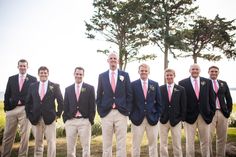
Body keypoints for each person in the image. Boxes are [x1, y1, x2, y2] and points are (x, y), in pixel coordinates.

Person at [96, 52, 132, 157]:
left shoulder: (125, 75)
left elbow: (129, 94)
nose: (113, 60)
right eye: (111, 58)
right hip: (106, 113)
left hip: (121, 113)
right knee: (107, 143)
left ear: (118, 61)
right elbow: (98, 95)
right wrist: (100, 111)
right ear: (108, 61)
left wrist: (127, 110)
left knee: (121, 142)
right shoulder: (102, 76)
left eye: (114, 58)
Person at [1, 59, 37, 157]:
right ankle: (5, 155)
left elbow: (35, 95)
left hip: (25, 110)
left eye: (24, 66)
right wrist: (6, 107)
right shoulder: (11, 78)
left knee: (24, 136)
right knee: (7, 135)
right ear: (18, 67)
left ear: (27, 67)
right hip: (11, 110)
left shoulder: (33, 79)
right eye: (20, 66)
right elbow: (7, 93)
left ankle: (22, 155)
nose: (22, 67)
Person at [25, 66, 63, 157]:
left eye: (45, 73)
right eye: (41, 73)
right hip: (36, 119)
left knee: (51, 142)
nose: (43, 74)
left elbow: (61, 101)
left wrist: (57, 115)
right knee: (38, 143)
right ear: (38, 74)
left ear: (48, 74)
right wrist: (29, 115)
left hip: (50, 119)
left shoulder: (55, 86)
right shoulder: (32, 86)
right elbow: (28, 102)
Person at [179, 64, 215, 157]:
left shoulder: (207, 82)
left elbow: (212, 99)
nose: (195, 71)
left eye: (197, 69)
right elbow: (181, 101)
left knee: (205, 141)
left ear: (200, 70)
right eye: (193, 69)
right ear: (189, 70)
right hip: (189, 116)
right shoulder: (182, 83)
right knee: (189, 141)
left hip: (205, 116)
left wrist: (211, 113)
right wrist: (184, 116)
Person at [129, 63, 162, 157]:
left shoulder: (155, 84)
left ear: (149, 72)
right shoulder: (133, 84)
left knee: (153, 145)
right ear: (138, 71)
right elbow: (130, 101)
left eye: (145, 70)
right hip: (137, 119)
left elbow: (159, 103)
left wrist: (157, 116)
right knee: (135, 145)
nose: (144, 72)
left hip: (152, 119)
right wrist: (131, 116)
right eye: (142, 70)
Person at [63, 67, 96, 157]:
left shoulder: (90, 88)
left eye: (80, 74)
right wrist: (65, 120)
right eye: (77, 74)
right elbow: (65, 105)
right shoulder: (68, 89)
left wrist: (90, 120)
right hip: (70, 121)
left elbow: (92, 106)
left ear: (83, 75)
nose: (78, 76)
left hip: (84, 121)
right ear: (74, 74)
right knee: (70, 149)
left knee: (86, 147)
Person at [159, 68, 186, 157]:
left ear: (174, 76)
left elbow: (183, 105)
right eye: (167, 75)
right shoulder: (160, 88)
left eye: (171, 75)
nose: (169, 77)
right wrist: (160, 116)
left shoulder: (181, 89)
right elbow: (158, 104)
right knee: (163, 144)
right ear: (165, 76)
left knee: (177, 144)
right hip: (163, 120)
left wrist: (181, 119)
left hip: (176, 120)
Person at [208, 66, 233, 157]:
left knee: (222, 138)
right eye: (212, 71)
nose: (214, 73)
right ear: (208, 72)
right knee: (207, 138)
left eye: (215, 71)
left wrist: (228, 111)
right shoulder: (205, 83)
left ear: (218, 73)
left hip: (223, 113)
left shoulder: (223, 83)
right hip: (210, 114)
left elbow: (229, 99)